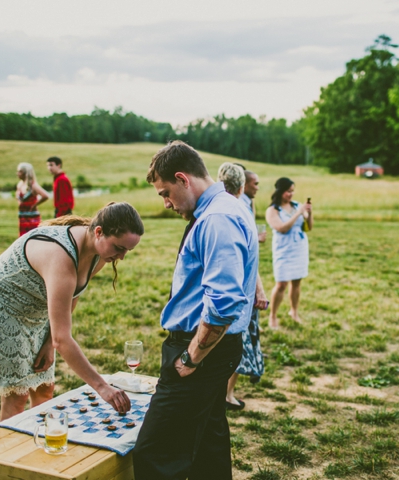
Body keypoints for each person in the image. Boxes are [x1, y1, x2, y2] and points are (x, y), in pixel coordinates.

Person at [133, 141, 258, 480]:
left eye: (165, 193)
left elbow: (224, 301)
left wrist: (191, 357)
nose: (165, 202)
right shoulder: (226, 208)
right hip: (213, 350)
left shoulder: (217, 218)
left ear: (182, 178)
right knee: (207, 443)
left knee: (155, 453)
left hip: (200, 351)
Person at [0, 202, 144, 420]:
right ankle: (8, 450)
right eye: (119, 248)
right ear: (99, 232)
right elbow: (63, 340)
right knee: (17, 394)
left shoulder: (99, 255)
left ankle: (43, 439)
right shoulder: (61, 257)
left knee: (45, 387)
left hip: (37, 305)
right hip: (6, 306)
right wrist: (102, 387)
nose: (121, 257)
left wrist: (48, 343)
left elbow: (73, 294)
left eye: (127, 251)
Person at [217, 162, 268, 411]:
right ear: (242, 186)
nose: (257, 187)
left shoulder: (217, 209)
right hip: (240, 292)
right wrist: (258, 289)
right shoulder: (240, 209)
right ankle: (226, 394)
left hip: (233, 290)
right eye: (254, 184)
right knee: (239, 341)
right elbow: (246, 258)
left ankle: (225, 392)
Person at [265, 177, 312, 328]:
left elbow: (308, 227)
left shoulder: (297, 205)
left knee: (297, 281)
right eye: (288, 191)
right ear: (280, 191)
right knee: (281, 284)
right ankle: (272, 316)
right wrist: (298, 213)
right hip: (284, 249)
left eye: (292, 191)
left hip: (299, 247)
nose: (291, 194)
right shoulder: (272, 210)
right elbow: (282, 228)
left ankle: (294, 311)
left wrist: (309, 214)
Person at [16, 162, 49, 236]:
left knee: (32, 236)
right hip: (22, 216)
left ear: (26, 173)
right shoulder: (20, 184)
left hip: (32, 217)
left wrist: (35, 205)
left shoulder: (32, 185)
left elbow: (45, 195)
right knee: (23, 236)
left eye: (20, 171)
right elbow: (17, 196)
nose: (17, 173)